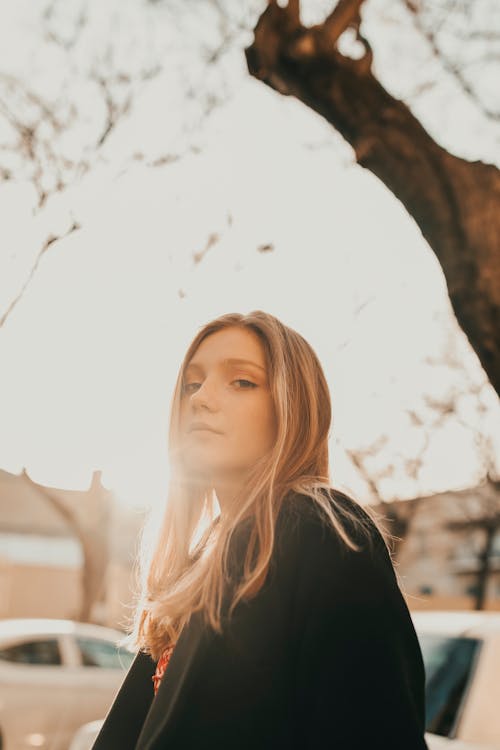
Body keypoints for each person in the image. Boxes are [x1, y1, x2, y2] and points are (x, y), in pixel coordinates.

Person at [91, 310, 429, 749]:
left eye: (242, 382)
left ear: (293, 408)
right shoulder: (199, 560)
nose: (201, 398)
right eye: (193, 383)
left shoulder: (321, 530)